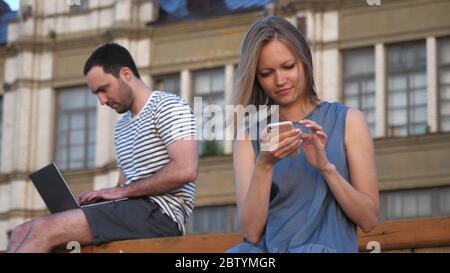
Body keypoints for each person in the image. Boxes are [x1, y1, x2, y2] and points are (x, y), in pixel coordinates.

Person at [7, 43, 198, 252]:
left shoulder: (170, 105)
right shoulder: (122, 127)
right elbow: (125, 188)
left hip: (160, 215)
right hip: (132, 213)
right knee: (21, 232)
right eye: (96, 94)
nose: (102, 101)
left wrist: (120, 192)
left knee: (43, 230)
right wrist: (101, 198)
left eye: (104, 89)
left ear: (125, 74)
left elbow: (186, 169)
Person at [227, 16, 379, 253]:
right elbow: (250, 232)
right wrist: (265, 165)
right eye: (266, 73)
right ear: (256, 78)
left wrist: (326, 168)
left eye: (288, 67)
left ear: (305, 62)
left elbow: (369, 219)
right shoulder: (249, 137)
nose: (280, 81)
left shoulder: (349, 121)